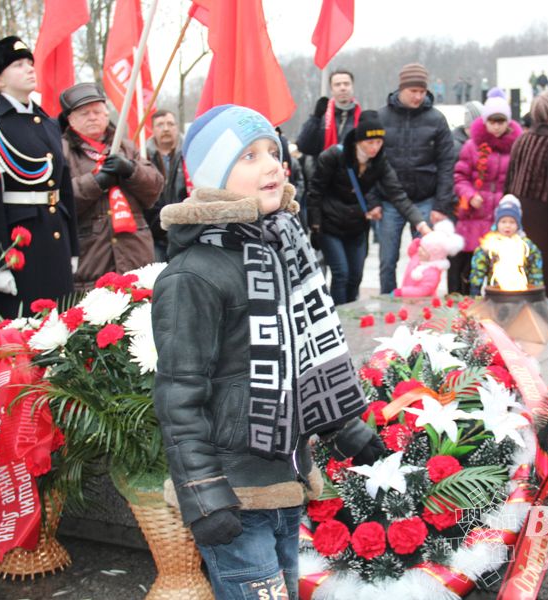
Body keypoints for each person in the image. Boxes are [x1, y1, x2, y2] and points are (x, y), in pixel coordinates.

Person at [152, 104, 384, 600]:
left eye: (273, 153)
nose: (271, 166)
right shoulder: (193, 273)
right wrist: (203, 495)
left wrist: (347, 428)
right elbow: (179, 395)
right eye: (249, 156)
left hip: (287, 480)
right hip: (233, 492)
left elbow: (305, 359)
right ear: (214, 177)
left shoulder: (283, 249)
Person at [0, 36, 79, 320]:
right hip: (22, 250)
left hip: (56, 241)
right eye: (18, 64)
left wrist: (73, 247)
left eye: (30, 62)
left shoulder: (49, 124)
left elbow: (63, 189)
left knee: (62, 333)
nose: (30, 68)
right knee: (24, 339)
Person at [307, 111, 430, 304]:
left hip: (356, 225)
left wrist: (420, 223)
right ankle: (339, 318)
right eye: (370, 142)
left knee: (355, 276)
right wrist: (315, 225)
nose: (375, 147)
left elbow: (397, 194)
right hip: (330, 225)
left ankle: (350, 312)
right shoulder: (332, 157)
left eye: (379, 142)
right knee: (341, 274)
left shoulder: (380, 163)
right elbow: (315, 192)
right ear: (358, 140)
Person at [59, 82, 163, 290]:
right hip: (91, 261)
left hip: (136, 257)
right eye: (84, 113)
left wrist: (131, 170)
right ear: (70, 119)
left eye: (97, 111)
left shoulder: (126, 146)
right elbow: (60, 202)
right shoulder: (62, 150)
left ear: (107, 113)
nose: (92, 117)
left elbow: (155, 189)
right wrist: (96, 182)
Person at [376, 63, 455, 294]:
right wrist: (373, 201)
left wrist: (441, 204)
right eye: (413, 91)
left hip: (425, 199)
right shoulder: (381, 117)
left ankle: (420, 303)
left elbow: (447, 163)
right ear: (401, 89)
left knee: (425, 258)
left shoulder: (437, 119)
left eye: (422, 91)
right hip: (390, 201)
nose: (418, 96)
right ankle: (387, 302)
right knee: (387, 260)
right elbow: (371, 162)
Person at [505, 90, 548, 300]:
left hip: (518, 215)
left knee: (521, 270)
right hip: (545, 220)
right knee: (547, 276)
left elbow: (508, 182)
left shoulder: (522, 139)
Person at [452, 90, 523, 294]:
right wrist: (469, 194)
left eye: (501, 122)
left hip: (502, 217)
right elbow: (460, 176)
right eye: (492, 121)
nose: (496, 126)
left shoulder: (516, 147)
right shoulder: (471, 146)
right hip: (475, 215)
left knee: (499, 270)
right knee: (471, 270)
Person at [470, 196, 543, 294]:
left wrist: (536, 289)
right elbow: (479, 267)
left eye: (512, 222)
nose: (507, 226)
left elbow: (535, 270)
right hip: (495, 293)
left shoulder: (526, 245)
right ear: (497, 223)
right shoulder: (490, 244)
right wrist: (475, 287)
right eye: (503, 222)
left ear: (518, 224)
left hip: (522, 292)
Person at [146, 109, 187, 261]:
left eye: (170, 124)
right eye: (160, 125)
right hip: (156, 234)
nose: (166, 129)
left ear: (177, 127)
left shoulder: (190, 154)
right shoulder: (142, 157)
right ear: (152, 129)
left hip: (186, 231)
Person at [296, 69, 360, 159]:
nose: (342, 88)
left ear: (352, 87)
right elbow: (304, 146)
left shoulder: (362, 118)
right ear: (331, 90)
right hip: (324, 169)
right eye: (337, 85)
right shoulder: (322, 118)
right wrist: (315, 118)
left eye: (346, 84)